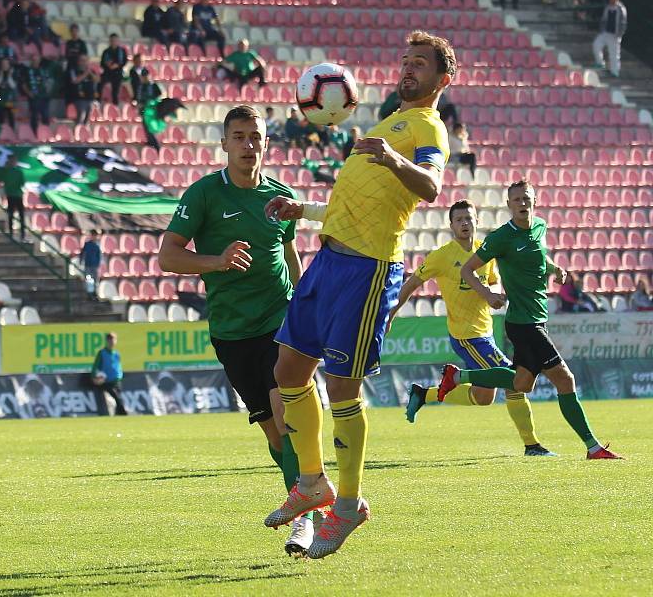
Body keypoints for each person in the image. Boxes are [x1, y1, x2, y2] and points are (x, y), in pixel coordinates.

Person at [261, 31, 455, 559]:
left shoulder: (427, 129)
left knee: (342, 386)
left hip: (368, 271)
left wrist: (394, 159)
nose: (407, 69)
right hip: (328, 262)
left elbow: (432, 185)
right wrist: (303, 211)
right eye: (405, 60)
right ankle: (311, 482)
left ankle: (347, 507)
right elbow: (354, 205)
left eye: (420, 64)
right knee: (287, 372)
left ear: (443, 79)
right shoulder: (385, 124)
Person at [158, 105, 317, 558]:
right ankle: (303, 489)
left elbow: (288, 252)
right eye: (240, 136)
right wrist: (217, 261)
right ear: (224, 144)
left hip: (280, 321)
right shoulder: (205, 195)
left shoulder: (280, 196)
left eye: (256, 137)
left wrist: (304, 304)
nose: (249, 145)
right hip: (231, 331)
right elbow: (168, 257)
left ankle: (304, 518)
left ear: (266, 143)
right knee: (273, 434)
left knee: (287, 420)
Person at [437, 179, 622, 460]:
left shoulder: (540, 227)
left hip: (537, 318)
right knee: (565, 379)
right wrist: (488, 294)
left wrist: (554, 269)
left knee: (522, 384)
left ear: (534, 201)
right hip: (524, 324)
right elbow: (467, 271)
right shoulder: (500, 238)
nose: (522, 204)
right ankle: (593, 447)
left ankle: (459, 376)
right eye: (517, 200)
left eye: (526, 199)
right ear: (509, 205)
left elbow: (539, 259)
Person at [388, 200, 554, 456]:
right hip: (467, 336)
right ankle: (532, 445)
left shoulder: (482, 252)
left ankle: (424, 395)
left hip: (485, 332)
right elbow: (411, 285)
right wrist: (391, 315)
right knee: (514, 379)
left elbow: (494, 281)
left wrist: (495, 294)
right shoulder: (442, 256)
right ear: (451, 225)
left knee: (484, 397)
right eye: (459, 220)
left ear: (477, 221)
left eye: (469, 218)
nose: (465, 223)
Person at [91, 333, 127, 416]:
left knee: (119, 398)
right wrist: (93, 377)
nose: (112, 342)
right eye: (110, 340)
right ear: (107, 341)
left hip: (116, 380)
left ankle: (119, 415)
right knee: (116, 398)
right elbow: (95, 366)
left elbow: (118, 366)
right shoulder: (102, 353)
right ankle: (124, 413)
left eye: (114, 340)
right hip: (106, 381)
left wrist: (120, 375)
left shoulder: (116, 354)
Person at [592, 0, 626, 78]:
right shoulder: (607, 7)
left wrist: (619, 35)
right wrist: (602, 30)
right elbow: (604, 19)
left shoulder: (621, 9)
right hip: (606, 33)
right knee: (596, 45)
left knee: (614, 55)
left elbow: (623, 23)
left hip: (615, 35)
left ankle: (615, 72)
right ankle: (600, 63)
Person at [22, 52, 51, 135]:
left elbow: (49, 81)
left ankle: (46, 134)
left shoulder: (43, 70)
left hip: (44, 96)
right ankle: (34, 134)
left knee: (45, 116)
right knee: (34, 117)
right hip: (34, 97)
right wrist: (29, 93)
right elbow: (23, 84)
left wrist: (48, 91)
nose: (35, 61)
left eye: (37, 59)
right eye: (33, 59)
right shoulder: (27, 71)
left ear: (39, 60)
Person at [3, 154, 27, 242]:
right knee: (14, 215)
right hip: (14, 195)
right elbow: (22, 183)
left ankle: (20, 235)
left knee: (17, 216)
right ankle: (14, 234)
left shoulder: (12, 171)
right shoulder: (10, 171)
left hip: (15, 195)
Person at [99, 33, 128, 105]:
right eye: (112, 40)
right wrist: (108, 65)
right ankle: (99, 101)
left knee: (115, 92)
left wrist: (117, 65)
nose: (113, 42)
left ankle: (115, 107)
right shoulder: (106, 52)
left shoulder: (122, 51)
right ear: (110, 41)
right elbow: (102, 64)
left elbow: (124, 61)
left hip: (117, 74)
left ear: (118, 41)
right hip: (107, 73)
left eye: (115, 40)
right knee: (100, 85)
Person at [70, 53, 98, 125]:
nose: (84, 62)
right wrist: (85, 73)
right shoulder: (74, 70)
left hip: (90, 97)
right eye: (82, 60)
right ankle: (77, 132)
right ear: (78, 61)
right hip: (79, 98)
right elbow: (75, 81)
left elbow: (97, 80)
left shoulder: (91, 71)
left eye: (85, 60)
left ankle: (84, 132)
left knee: (87, 118)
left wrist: (90, 73)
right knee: (80, 117)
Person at [0, 58, 18, 130]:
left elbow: (13, 86)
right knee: (0, 115)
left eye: (6, 64)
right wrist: (1, 76)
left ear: (9, 65)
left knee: (11, 115)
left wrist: (9, 76)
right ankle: (0, 132)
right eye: (3, 64)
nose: (4, 65)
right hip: (1, 97)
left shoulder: (13, 73)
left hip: (10, 97)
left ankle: (12, 131)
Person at [79, 230, 102, 300]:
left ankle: (95, 293)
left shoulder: (97, 245)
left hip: (94, 266)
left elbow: (98, 256)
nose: (94, 237)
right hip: (88, 265)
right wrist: (81, 261)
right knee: (89, 280)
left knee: (95, 280)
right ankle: (89, 294)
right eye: (93, 235)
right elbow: (82, 253)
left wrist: (97, 264)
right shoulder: (87, 244)